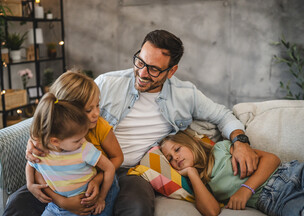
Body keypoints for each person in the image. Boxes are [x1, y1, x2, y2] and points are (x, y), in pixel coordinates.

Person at [18, 29, 258, 216]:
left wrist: (240, 141)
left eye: (154, 69)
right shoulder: (107, 83)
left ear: (171, 71)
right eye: (140, 62)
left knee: (137, 207)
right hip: (79, 163)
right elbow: (57, 109)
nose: (142, 73)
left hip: (133, 171)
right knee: (20, 203)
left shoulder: (186, 95)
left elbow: (223, 115)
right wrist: (35, 140)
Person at [4, 71, 123, 216]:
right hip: (58, 187)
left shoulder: (99, 127)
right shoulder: (48, 136)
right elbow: (40, 172)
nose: (96, 113)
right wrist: (60, 201)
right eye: (88, 109)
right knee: (17, 202)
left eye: (97, 106)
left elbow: (117, 158)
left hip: (94, 184)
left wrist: (98, 180)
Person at [160, 131, 304, 216]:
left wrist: (246, 189)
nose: (176, 157)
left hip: (289, 172)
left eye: (177, 149)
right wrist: (192, 173)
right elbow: (212, 211)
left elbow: (272, 159)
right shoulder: (202, 185)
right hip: (275, 199)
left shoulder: (220, 148)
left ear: (190, 143)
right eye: (170, 158)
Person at [27, 93, 115, 215]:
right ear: (55, 141)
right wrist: (30, 184)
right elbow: (31, 164)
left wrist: (101, 198)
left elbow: (109, 167)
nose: (84, 141)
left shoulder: (84, 149)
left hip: (85, 205)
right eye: (77, 140)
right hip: (54, 207)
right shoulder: (40, 151)